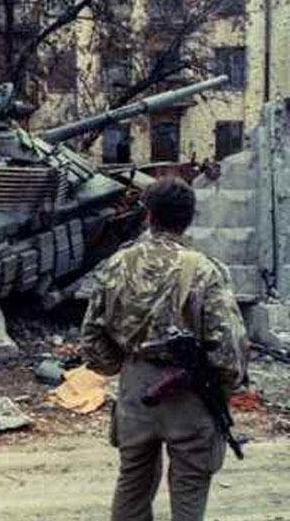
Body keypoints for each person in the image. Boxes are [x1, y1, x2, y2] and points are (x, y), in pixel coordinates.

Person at [81, 176, 247, 521]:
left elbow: (92, 337)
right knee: (188, 494)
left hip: (134, 390)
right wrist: (219, 386)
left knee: (132, 486)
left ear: (149, 216)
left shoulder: (117, 264)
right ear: (189, 218)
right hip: (191, 395)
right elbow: (230, 350)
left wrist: (125, 366)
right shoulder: (205, 270)